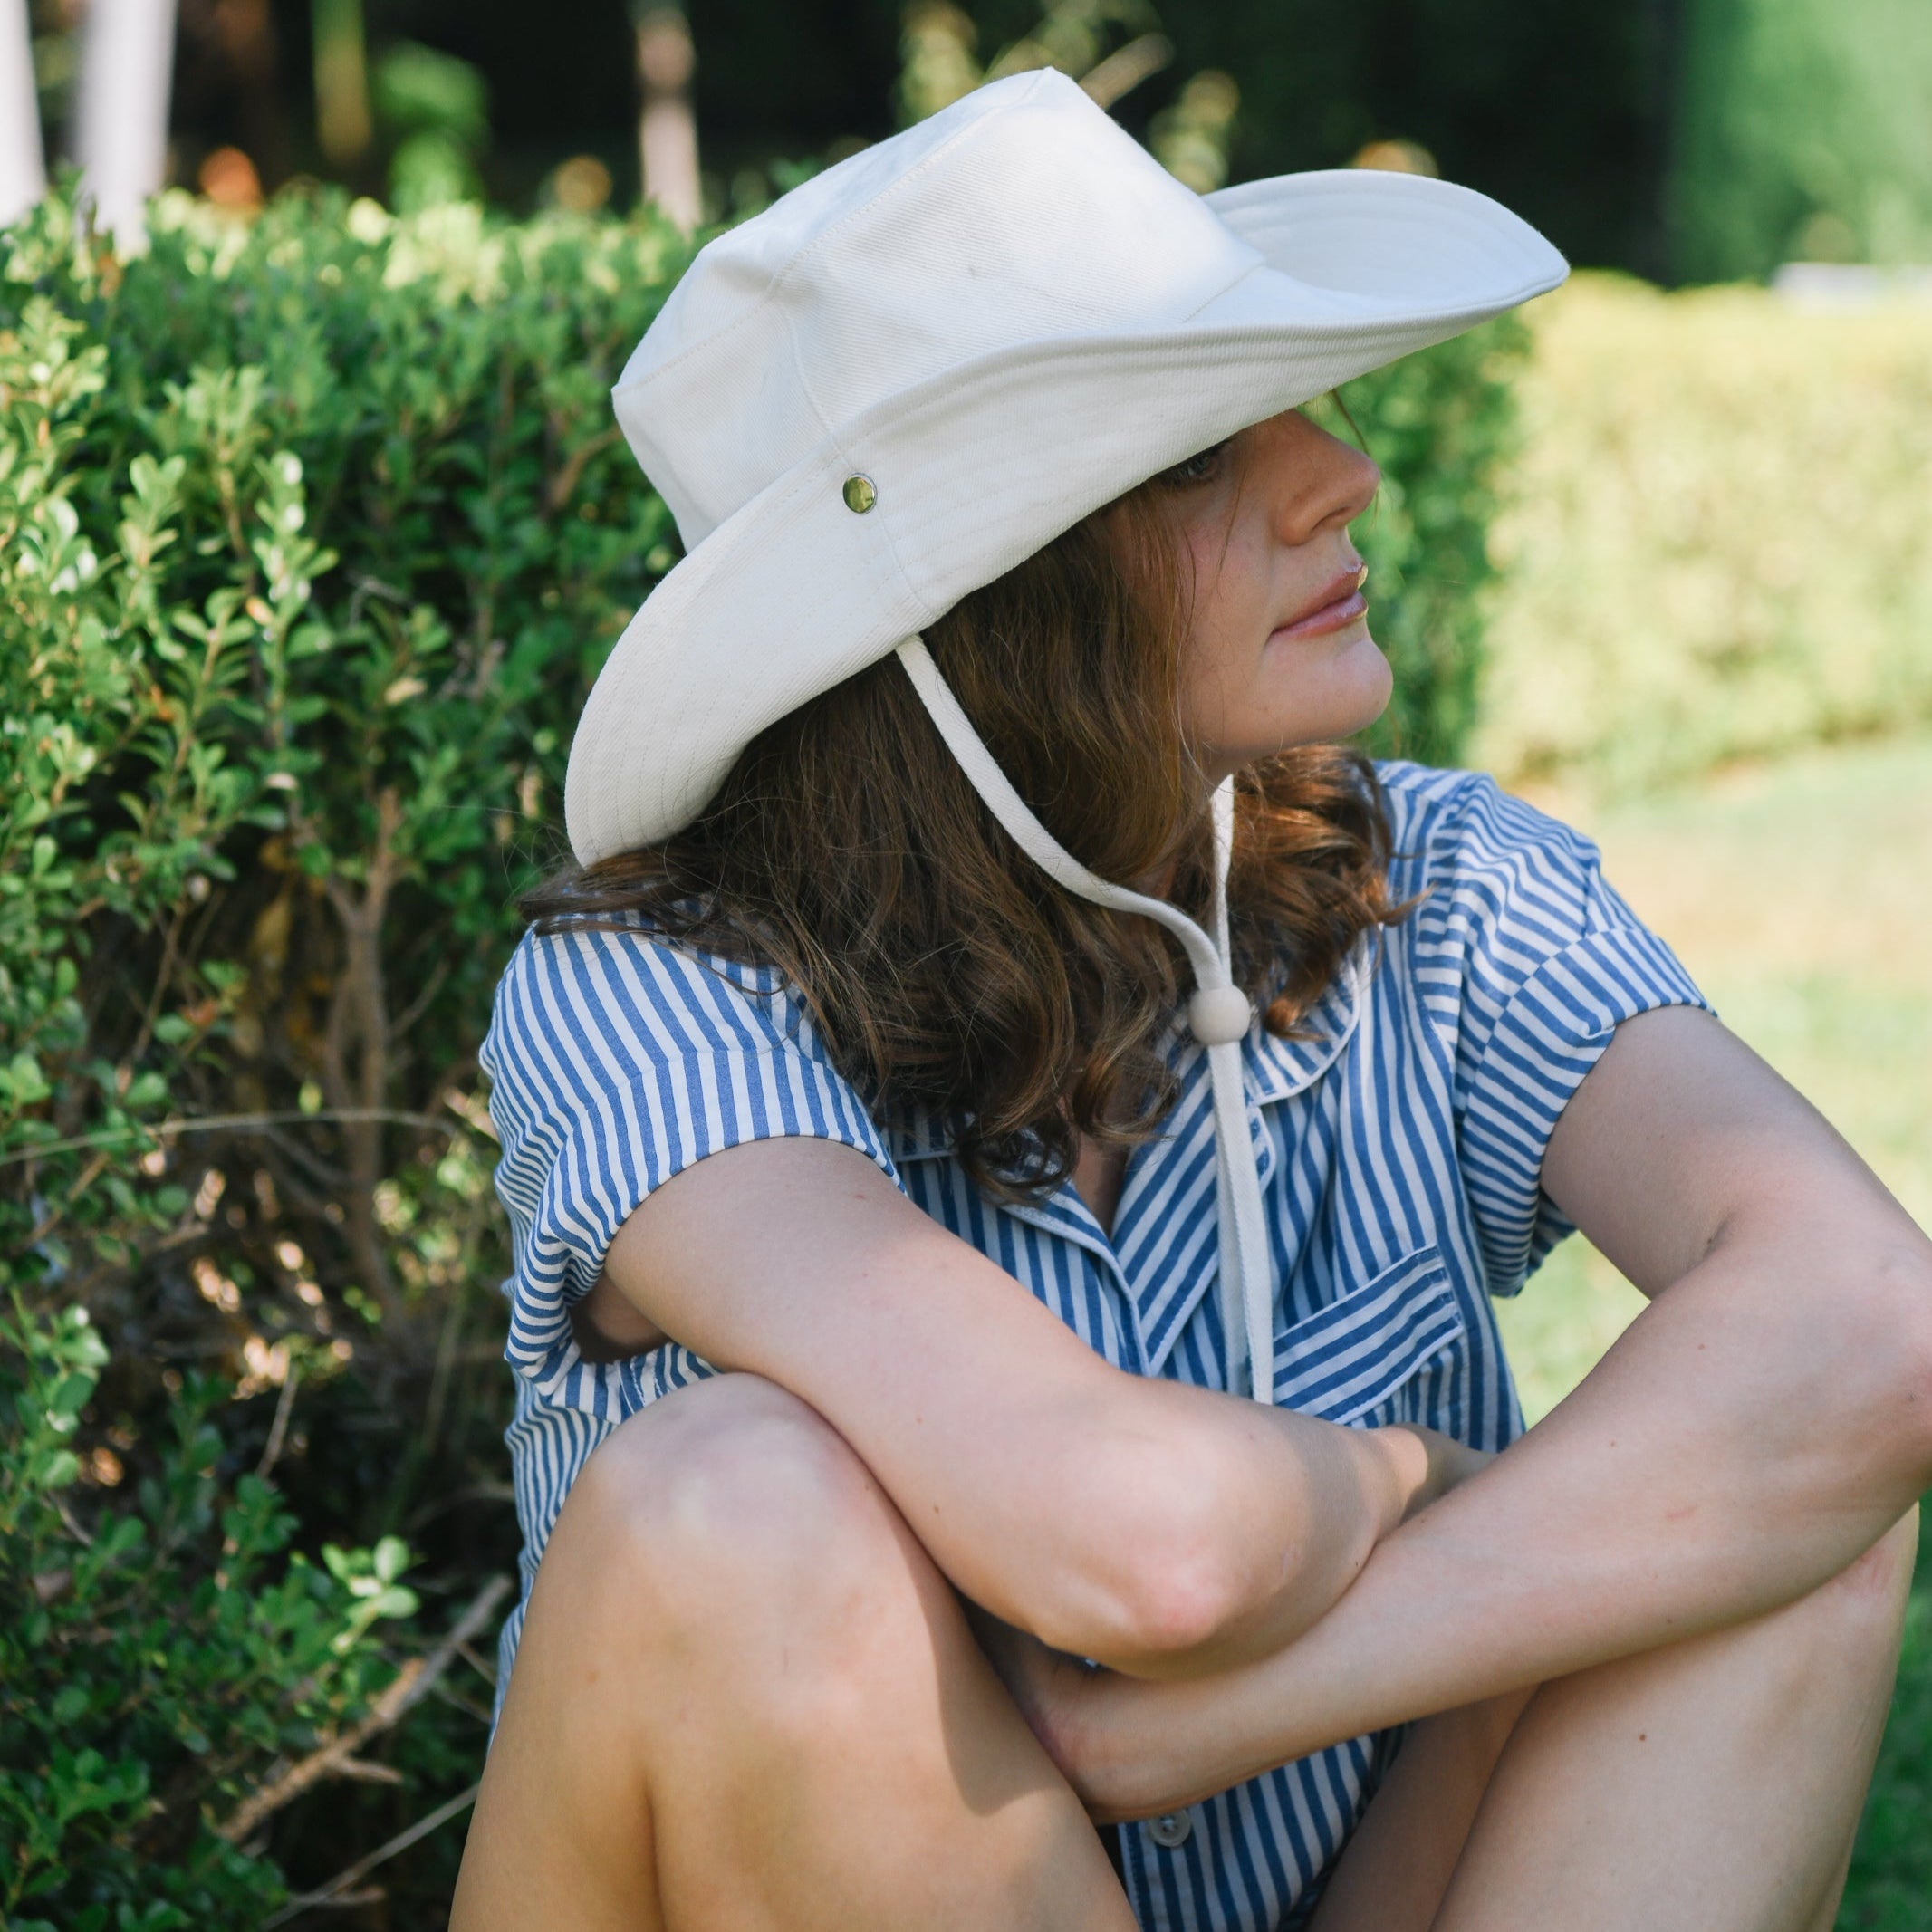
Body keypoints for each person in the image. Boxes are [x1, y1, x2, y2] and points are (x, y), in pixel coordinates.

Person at [450, 70, 1932, 1932]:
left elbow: (1875, 1324)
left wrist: (1199, 1719)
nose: (1340, 473)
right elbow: (1138, 1546)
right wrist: (1420, 1475)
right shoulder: (651, 998)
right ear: (968, 610)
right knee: (729, 1507)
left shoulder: (1442, 886)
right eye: (1184, 453)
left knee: (1768, 1504)